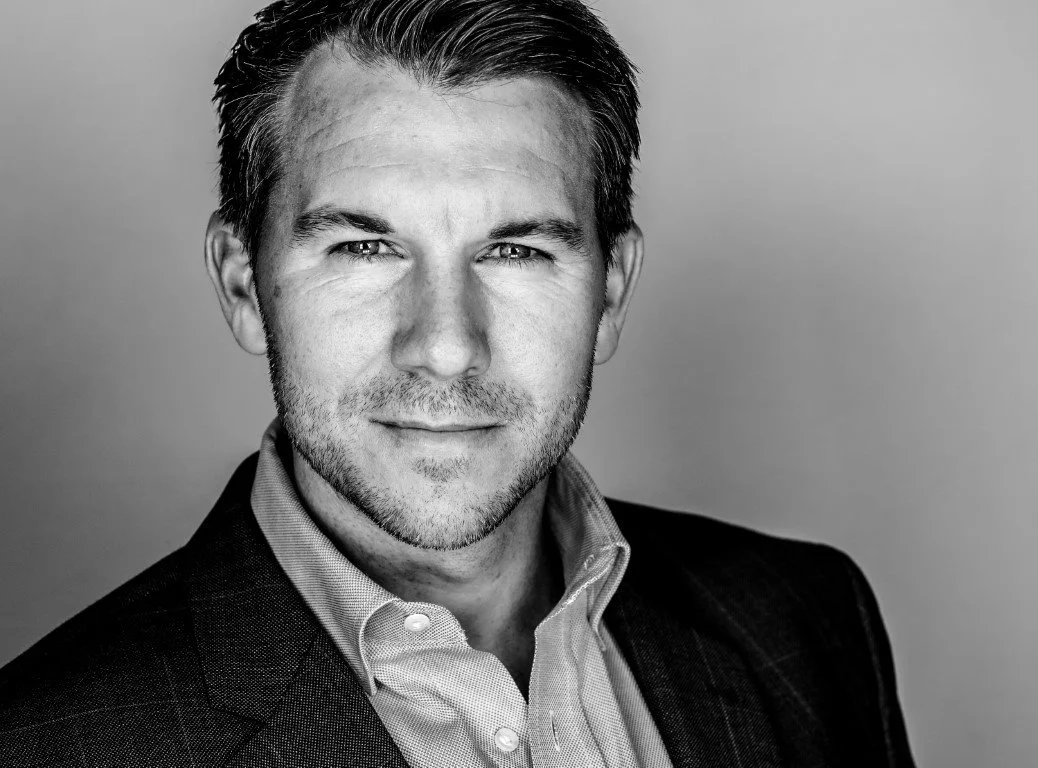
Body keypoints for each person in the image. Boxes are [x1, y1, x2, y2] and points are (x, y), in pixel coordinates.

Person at [0, 0, 915, 765]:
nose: (444, 346)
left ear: (611, 290)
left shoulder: (805, 619)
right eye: (364, 246)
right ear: (243, 282)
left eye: (515, 249)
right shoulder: (45, 743)